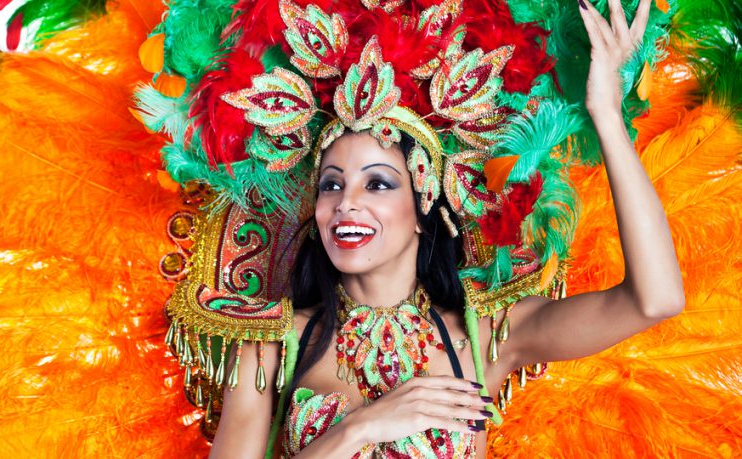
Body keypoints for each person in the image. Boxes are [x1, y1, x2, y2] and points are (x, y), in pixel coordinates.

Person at [206, 0, 684, 457]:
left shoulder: (486, 337)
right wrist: (363, 425)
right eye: (331, 185)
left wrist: (605, 112)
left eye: (377, 184)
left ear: (422, 207)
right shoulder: (272, 344)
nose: (346, 203)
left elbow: (655, 299)